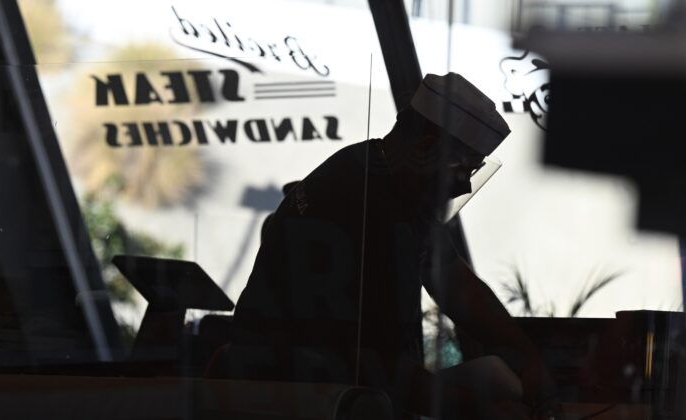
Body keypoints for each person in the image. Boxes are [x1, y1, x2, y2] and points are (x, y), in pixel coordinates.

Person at [225, 73, 559, 419]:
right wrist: (485, 409)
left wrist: (526, 359)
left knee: (497, 379)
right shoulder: (363, 205)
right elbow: (377, 367)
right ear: (426, 148)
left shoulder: (384, 179)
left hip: (339, 394)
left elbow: (453, 279)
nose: (463, 186)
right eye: (463, 168)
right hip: (293, 402)